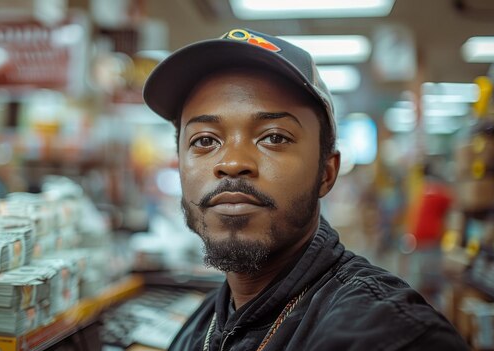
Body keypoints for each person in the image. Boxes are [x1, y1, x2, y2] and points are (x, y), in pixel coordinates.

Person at [143, 28, 468, 351]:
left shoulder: (395, 336)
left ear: (326, 172)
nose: (231, 163)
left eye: (274, 137)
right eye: (204, 140)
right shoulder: (198, 329)